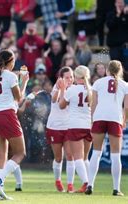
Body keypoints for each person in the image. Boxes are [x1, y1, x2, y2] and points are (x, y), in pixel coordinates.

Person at [0, 50, 29, 200]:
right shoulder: (10, 76)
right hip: (7, 115)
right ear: (10, 61)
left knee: (1, 156)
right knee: (20, 153)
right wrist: (25, 82)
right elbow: (18, 98)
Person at [86, 60, 127, 196]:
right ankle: (116, 189)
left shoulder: (98, 82)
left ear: (107, 70)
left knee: (96, 153)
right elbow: (126, 107)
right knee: (116, 156)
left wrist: (92, 119)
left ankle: (90, 185)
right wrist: (124, 121)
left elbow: (94, 103)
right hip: (115, 118)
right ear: (120, 71)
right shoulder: (125, 85)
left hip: (100, 117)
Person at [59, 65, 92, 193]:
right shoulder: (92, 89)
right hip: (89, 125)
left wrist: (62, 90)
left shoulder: (72, 89)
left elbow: (61, 105)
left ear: (76, 77)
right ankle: (91, 183)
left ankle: (86, 183)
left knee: (78, 157)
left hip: (75, 125)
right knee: (85, 158)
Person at [46, 67, 75, 192]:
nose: (70, 80)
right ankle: (58, 180)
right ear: (61, 78)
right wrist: (60, 88)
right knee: (58, 157)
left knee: (70, 156)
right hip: (55, 126)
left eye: (71, 77)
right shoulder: (56, 88)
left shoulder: (74, 89)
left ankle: (70, 185)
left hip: (69, 126)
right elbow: (56, 101)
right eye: (67, 77)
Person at [106, 0, 128, 69]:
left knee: (126, 67)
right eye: (118, 2)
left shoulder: (127, 14)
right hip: (114, 46)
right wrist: (118, 15)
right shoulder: (111, 14)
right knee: (115, 68)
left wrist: (125, 14)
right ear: (115, 4)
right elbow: (110, 25)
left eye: (121, 3)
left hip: (126, 46)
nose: (120, 4)